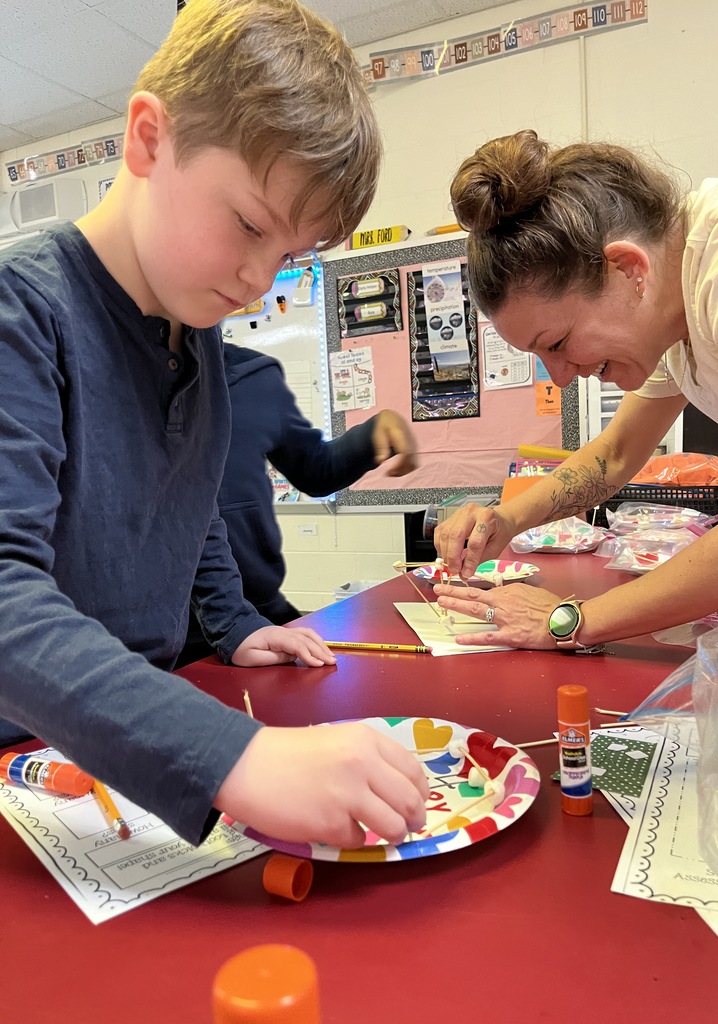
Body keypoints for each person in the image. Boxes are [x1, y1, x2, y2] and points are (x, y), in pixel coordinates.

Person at [0, 0, 428, 849]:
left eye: (291, 257)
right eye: (248, 225)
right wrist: (235, 756)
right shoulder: (25, 314)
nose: (259, 279)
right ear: (149, 140)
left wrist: (236, 629)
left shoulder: (196, 337)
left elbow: (187, 509)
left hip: (131, 770)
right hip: (26, 774)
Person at [433, 129, 718, 653]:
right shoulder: (672, 315)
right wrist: (505, 521)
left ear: (627, 268)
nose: (561, 376)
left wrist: (569, 620)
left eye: (560, 342)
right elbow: (614, 456)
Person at [179, 342, 418, 663]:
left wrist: (371, 436)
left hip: (259, 611)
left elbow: (314, 470)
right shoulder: (129, 376)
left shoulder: (255, 374)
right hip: (169, 628)